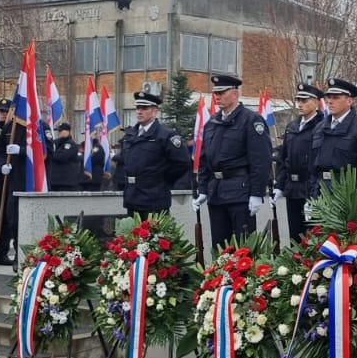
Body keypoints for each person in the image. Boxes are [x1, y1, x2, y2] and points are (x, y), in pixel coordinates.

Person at [194, 74, 273, 249]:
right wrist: (203, 189)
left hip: (240, 193)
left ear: (235, 94)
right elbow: (205, 159)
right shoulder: (212, 123)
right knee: (220, 248)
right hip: (217, 193)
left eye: (222, 92)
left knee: (242, 248)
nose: (217, 97)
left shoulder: (251, 120)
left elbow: (261, 159)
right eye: (216, 93)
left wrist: (257, 193)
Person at [307, 77, 357, 227]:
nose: (330, 101)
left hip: (349, 200)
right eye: (328, 97)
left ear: (349, 101)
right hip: (322, 199)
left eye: (336, 97)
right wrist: (311, 199)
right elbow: (313, 170)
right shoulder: (320, 128)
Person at [115, 90, 192, 219]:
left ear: (155, 111)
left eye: (144, 108)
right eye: (138, 108)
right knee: (133, 237)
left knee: (153, 237)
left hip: (154, 197)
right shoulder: (131, 134)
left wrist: (162, 180)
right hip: (132, 197)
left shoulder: (165, 135)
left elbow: (182, 163)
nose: (139, 111)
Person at [273, 83, 324, 242]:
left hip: (311, 188)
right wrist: (279, 185)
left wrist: (315, 195)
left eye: (305, 100)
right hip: (293, 188)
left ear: (316, 102)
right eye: (298, 100)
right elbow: (283, 158)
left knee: (314, 239)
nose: (300, 104)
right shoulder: (293, 126)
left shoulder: (322, 126)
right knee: (295, 237)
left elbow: (320, 161)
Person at [0, 99, 26, 265]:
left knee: (21, 219)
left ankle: (21, 256)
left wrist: (22, 151)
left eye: (12, 110)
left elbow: (44, 152)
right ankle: (3, 252)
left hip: (27, 181)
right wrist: (1, 165)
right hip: (9, 179)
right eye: (7, 110)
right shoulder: (7, 128)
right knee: (8, 217)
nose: (9, 113)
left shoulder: (36, 127)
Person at [46, 123, 84, 192]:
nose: (59, 133)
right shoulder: (56, 143)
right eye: (58, 131)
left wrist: (51, 154)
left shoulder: (70, 144)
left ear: (68, 131)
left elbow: (62, 157)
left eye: (61, 131)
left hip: (66, 181)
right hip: (55, 180)